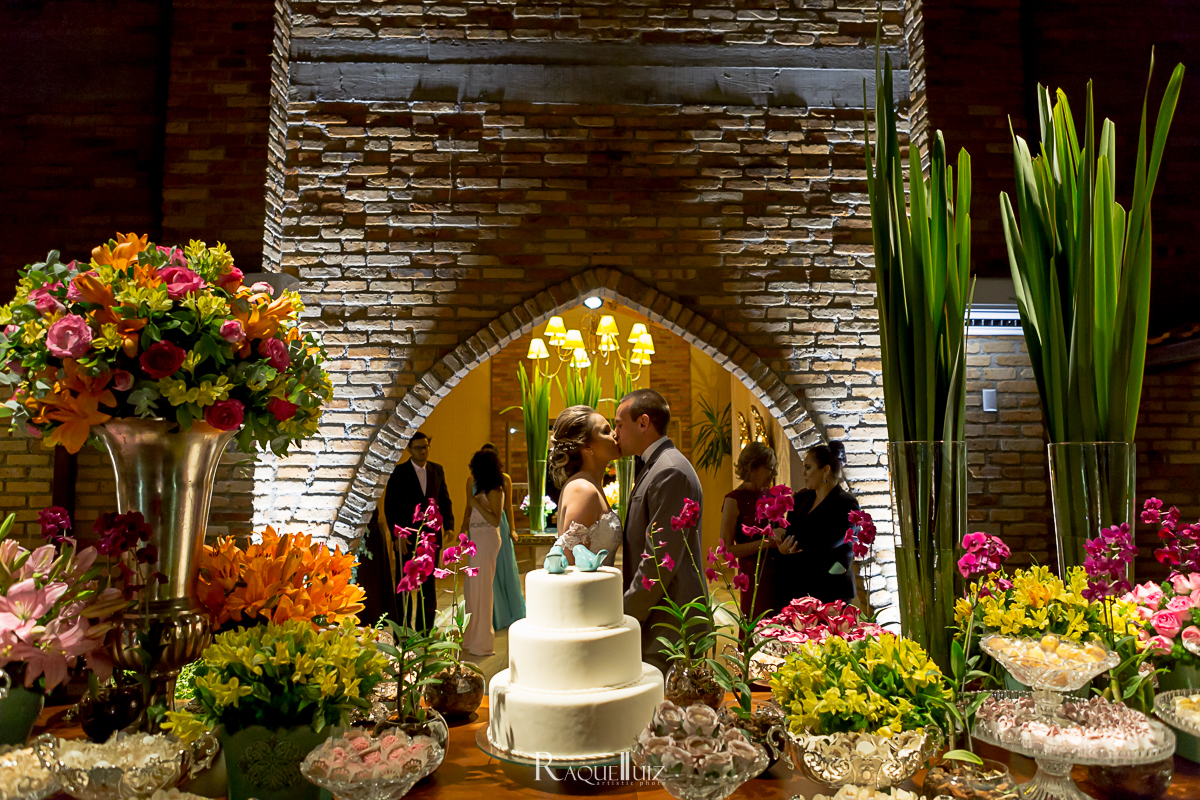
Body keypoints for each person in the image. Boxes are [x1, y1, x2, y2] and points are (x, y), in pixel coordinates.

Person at [615, 388, 707, 674]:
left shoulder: (670, 470)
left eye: (619, 424)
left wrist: (625, 615)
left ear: (643, 423)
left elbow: (659, 560)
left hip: (671, 623)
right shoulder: (656, 465)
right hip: (660, 619)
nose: (616, 434)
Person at [379, 432, 454, 632]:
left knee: (427, 587)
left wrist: (449, 525)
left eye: (425, 447)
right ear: (409, 450)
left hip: (431, 539)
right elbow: (390, 507)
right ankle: (403, 630)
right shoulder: (398, 473)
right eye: (418, 448)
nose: (423, 451)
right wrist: (397, 535)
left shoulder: (437, 470)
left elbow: (444, 500)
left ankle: (425, 631)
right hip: (407, 539)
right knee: (405, 585)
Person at [773, 441, 860, 605]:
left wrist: (786, 539)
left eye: (808, 468)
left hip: (830, 591)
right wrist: (782, 546)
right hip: (797, 587)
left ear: (825, 470)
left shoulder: (847, 504)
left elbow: (825, 543)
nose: (803, 473)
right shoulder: (802, 497)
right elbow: (785, 527)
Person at [549, 405, 624, 566]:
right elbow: (573, 563)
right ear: (587, 446)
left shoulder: (590, 485)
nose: (615, 434)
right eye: (606, 431)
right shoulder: (583, 490)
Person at [719, 442, 780, 619]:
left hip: (779, 575)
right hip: (754, 579)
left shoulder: (772, 496)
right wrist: (766, 543)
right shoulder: (733, 500)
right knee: (758, 624)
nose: (775, 473)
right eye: (770, 468)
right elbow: (726, 551)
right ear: (753, 468)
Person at [476, 443, 525, 630]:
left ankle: (511, 612)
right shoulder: (476, 479)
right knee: (487, 572)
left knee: (504, 568)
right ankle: (492, 614)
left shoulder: (504, 479)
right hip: (479, 527)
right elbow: (469, 507)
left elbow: (508, 507)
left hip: (499, 526)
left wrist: (512, 529)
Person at [461, 448, 505, 656]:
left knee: (483, 590)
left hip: (487, 541)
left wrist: (475, 504)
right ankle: (471, 638)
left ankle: (483, 642)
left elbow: (496, 520)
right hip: (475, 540)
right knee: (472, 590)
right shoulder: (480, 488)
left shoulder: (496, 490)